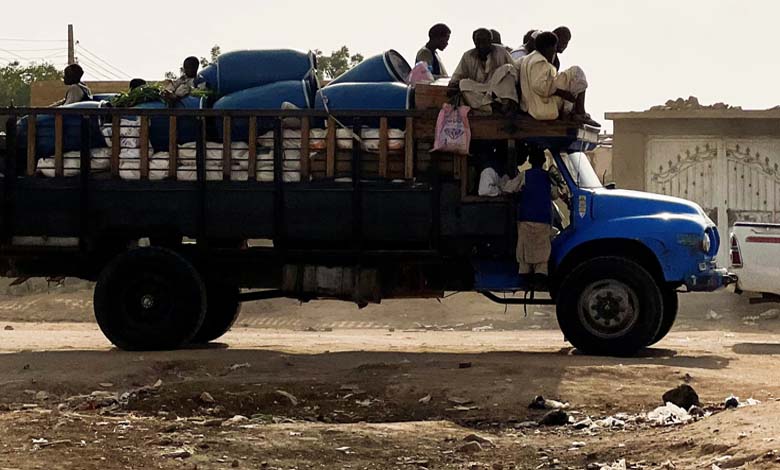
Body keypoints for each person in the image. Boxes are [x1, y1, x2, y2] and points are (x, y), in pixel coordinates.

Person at [517, 31, 599, 127]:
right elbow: (540, 86)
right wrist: (561, 93)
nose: (554, 51)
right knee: (576, 72)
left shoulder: (528, 59)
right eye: (554, 48)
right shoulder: (539, 61)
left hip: (533, 103)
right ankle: (580, 113)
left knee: (572, 86)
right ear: (548, 48)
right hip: (539, 107)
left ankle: (575, 114)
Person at [449, 28, 518, 114]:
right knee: (463, 83)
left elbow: (515, 71)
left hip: (498, 89)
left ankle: (505, 104)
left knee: (508, 69)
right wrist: (453, 84)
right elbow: (457, 76)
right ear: (474, 42)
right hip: (480, 89)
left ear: (490, 41)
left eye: (484, 41)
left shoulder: (501, 52)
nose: (481, 44)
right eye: (478, 41)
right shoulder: (468, 55)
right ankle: (491, 106)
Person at [516, 145, 559, 278]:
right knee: (542, 253)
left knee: (524, 252)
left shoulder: (524, 175)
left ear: (530, 161)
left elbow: (509, 188)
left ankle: (524, 278)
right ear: (543, 161)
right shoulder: (549, 177)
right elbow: (555, 195)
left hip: (525, 219)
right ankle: (540, 279)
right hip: (543, 220)